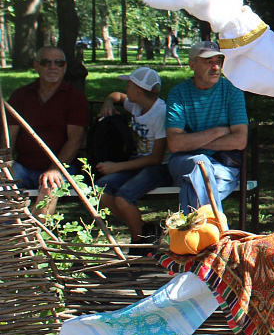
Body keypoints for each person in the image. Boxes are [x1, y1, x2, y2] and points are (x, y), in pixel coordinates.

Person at [166, 41, 247, 217]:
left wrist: (191, 141)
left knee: (193, 185)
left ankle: (197, 232)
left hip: (223, 165)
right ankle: (217, 231)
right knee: (199, 163)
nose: (216, 67)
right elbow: (174, 144)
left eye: (218, 61)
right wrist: (219, 131)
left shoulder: (232, 91)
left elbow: (240, 140)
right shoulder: (178, 94)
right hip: (185, 163)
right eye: (208, 61)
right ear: (192, 64)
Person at [6, 46, 88, 216]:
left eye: (58, 63)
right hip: (23, 165)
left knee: (50, 184)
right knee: (3, 183)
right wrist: (4, 165)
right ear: (36, 66)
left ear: (64, 67)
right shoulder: (20, 95)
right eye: (46, 62)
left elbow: (75, 141)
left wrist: (55, 168)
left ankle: (36, 236)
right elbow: (10, 135)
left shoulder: (75, 98)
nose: (53, 67)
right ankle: (9, 233)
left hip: (60, 166)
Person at [96, 67, 170, 243]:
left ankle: (139, 245)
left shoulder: (160, 113)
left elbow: (156, 158)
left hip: (160, 167)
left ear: (138, 90)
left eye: (128, 85)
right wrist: (108, 102)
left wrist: (116, 167)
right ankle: (146, 230)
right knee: (100, 191)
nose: (125, 89)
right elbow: (117, 96)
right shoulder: (135, 104)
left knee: (123, 198)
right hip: (139, 163)